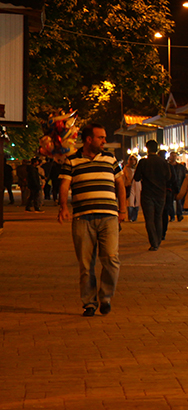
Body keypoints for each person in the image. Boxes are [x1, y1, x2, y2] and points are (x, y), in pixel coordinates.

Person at [57, 123, 126, 317]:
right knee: (86, 264)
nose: (104, 141)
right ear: (89, 139)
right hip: (82, 218)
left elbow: (119, 184)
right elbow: (64, 185)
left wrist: (123, 209)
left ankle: (105, 297)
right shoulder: (72, 161)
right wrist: (63, 207)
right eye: (101, 137)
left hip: (109, 218)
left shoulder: (110, 159)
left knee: (111, 260)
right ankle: (89, 302)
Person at [133, 140, 170, 250]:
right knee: (158, 217)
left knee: (149, 219)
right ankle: (158, 240)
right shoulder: (163, 162)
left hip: (147, 193)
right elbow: (169, 177)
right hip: (160, 193)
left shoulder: (143, 162)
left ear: (147, 148)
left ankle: (153, 242)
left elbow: (136, 178)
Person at [167, 151, 187, 224]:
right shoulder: (168, 166)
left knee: (179, 201)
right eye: (172, 156)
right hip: (170, 186)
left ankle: (179, 215)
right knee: (170, 201)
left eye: (175, 156)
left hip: (178, 185)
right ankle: (172, 215)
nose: (174, 157)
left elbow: (183, 176)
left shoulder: (180, 167)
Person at [125, 155, 141, 222]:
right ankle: (130, 217)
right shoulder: (126, 168)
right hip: (130, 185)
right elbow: (124, 177)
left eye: (134, 160)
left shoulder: (138, 168)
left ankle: (135, 217)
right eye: (131, 160)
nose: (133, 161)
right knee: (130, 201)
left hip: (138, 184)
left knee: (137, 201)